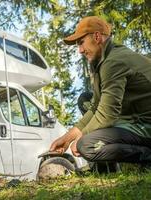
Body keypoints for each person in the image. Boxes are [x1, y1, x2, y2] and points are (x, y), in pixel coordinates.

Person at [49, 16, 151, 165]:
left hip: (146, 124)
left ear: (97, 37)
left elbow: (107, 113)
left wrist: (80, 138)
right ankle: (107, 165)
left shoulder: (113, 61)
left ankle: (147, 156)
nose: (80, 50)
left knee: (87, 145)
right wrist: (67, 138)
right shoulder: (105, 58)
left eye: (81, 43)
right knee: (85, 99)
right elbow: (96, 106)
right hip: (134, 117)